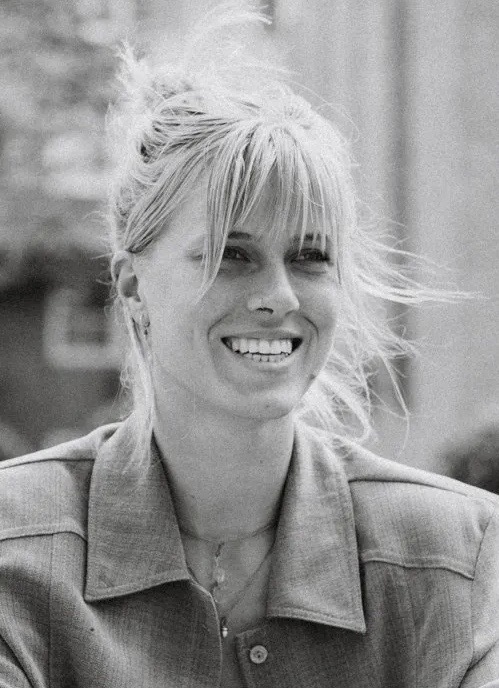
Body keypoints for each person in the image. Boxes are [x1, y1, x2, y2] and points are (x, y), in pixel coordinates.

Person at [0, 6, 498, 688]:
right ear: (133, 285)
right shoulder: (16, 547)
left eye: (309, 257)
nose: (279, 295)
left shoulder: (458, 558)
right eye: (232, 255)